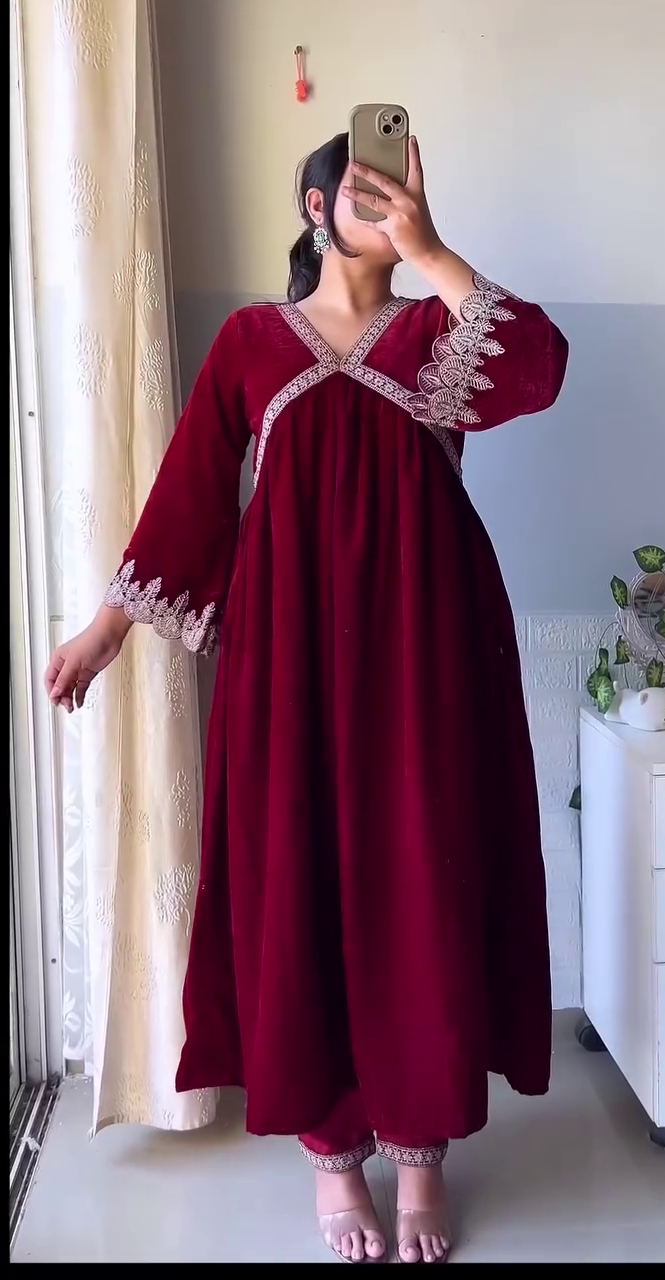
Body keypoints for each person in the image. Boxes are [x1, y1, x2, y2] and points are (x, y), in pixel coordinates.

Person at [45, 132, 568, 1264]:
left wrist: (434, 251)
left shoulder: (437, 333)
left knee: (422, 879)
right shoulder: (249, 341)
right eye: (366, 192)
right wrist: (107, 626)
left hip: (427, 660)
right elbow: (191, 490)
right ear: (316, 206)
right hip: (288, 666)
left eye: (403, 192)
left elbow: (538, 366)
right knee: (301, 881)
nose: (387, 208)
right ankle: (334, 1160)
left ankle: (421, 1155)